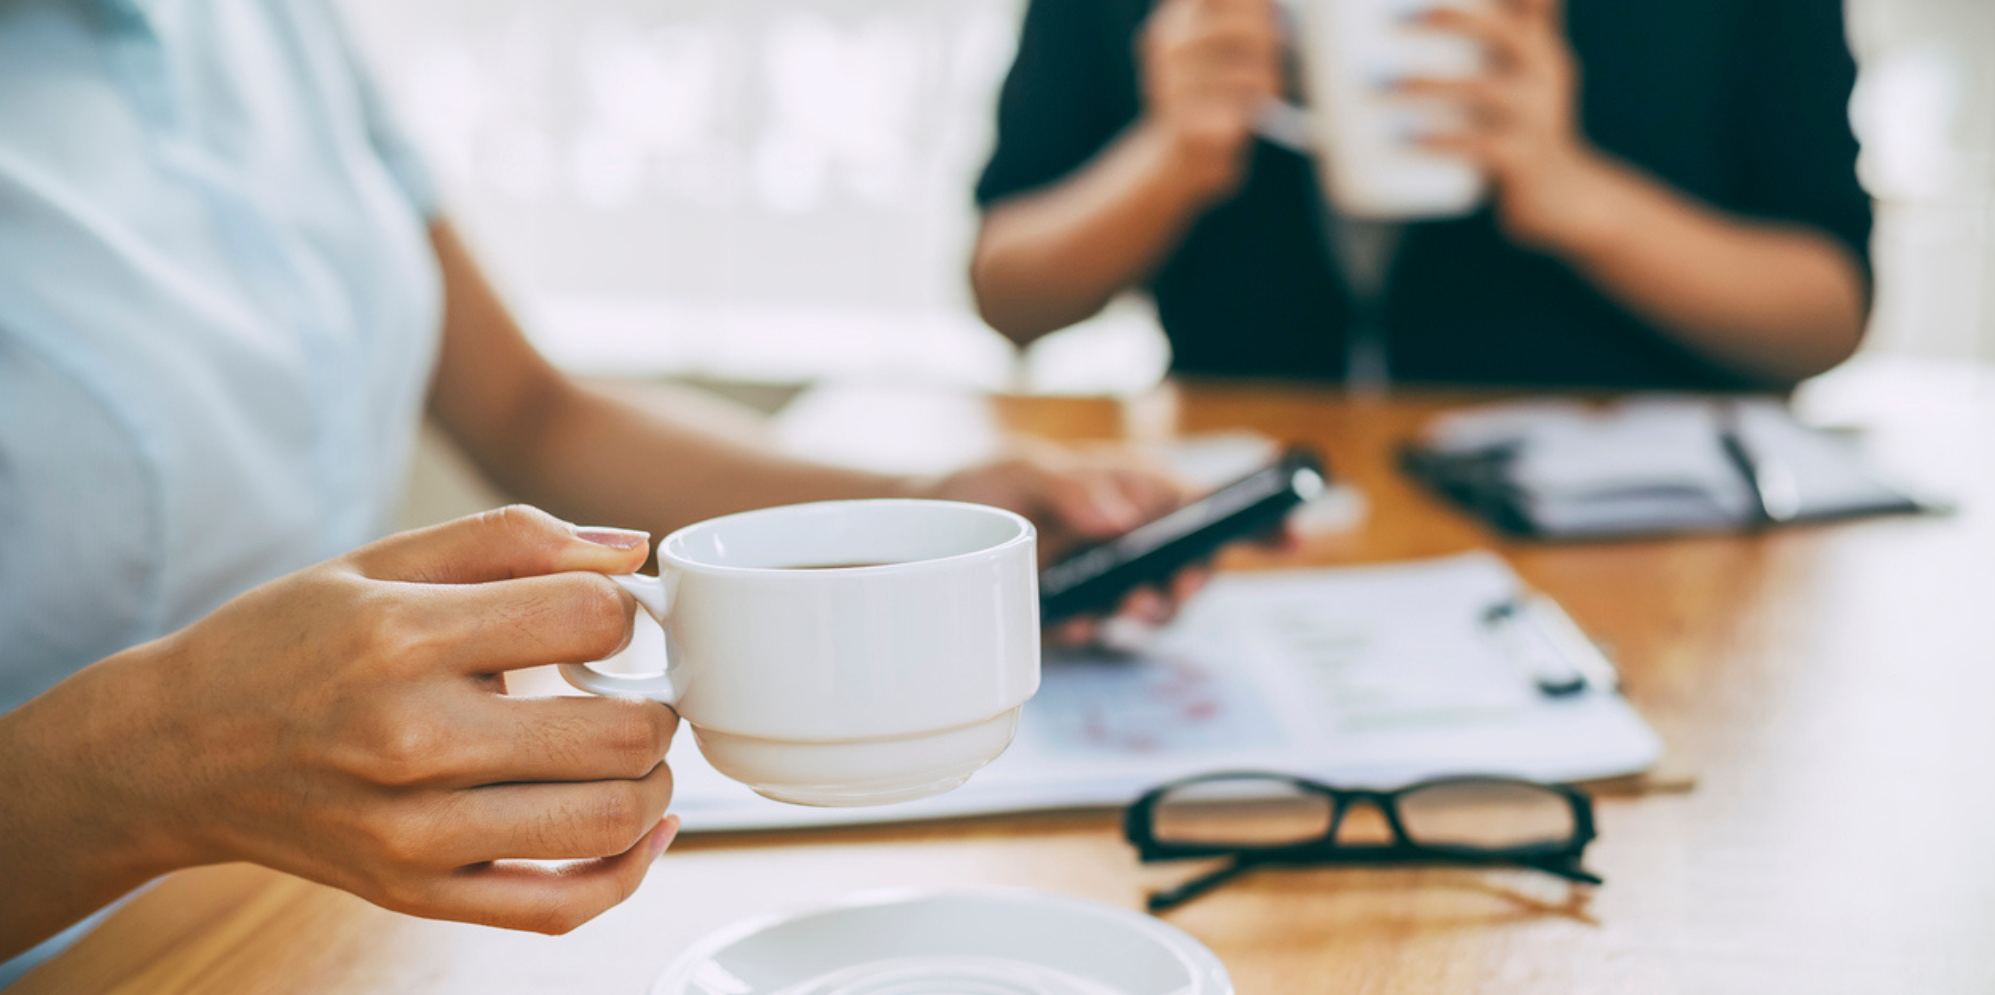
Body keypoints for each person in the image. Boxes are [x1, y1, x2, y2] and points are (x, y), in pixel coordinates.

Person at [0, 0, 1195, 973]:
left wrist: (923, 508)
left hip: (321, 911)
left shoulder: (267, 23)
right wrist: (164, 758)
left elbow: (531, 408)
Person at [969, 0, 1874, 389]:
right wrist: (1164, 164)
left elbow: (1828, 312)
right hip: (1257, 525)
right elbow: (1004, 287)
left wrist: (1578, 198)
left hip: (1642, 552)